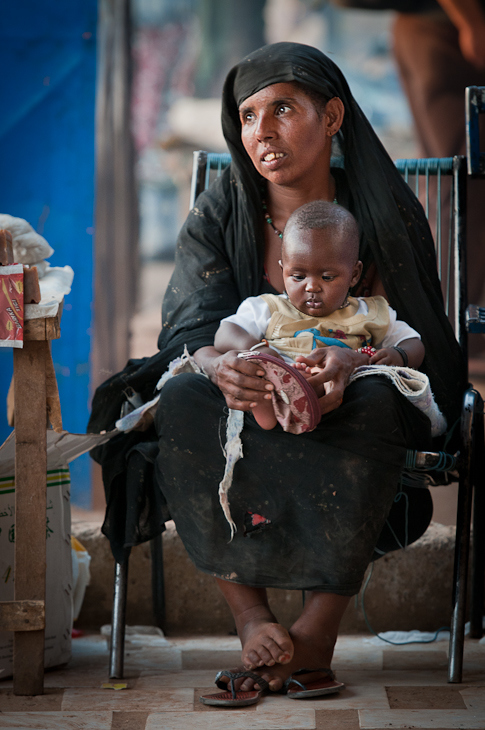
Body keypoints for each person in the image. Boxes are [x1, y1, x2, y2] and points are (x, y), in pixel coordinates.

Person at [88, 42, 466, 705]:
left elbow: (417, 338)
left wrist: (356, 361)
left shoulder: (381, 212)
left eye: (282, 109)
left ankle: (315, 637)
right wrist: (223, 365)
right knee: (181, 395)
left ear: (331, 117)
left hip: (357, 394)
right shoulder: (223, 210)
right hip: (249, 398)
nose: (260, 131)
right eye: (247, 115)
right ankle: (252, 620)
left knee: (375, 403)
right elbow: (188, 333)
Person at [214, 200, 424, 431]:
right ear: (283, 270)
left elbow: (414, 342)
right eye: (298, 276)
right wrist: (257, 349)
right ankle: (268, 406)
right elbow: (225, 332)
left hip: (343, 397)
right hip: (279, 376)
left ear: (354, 275)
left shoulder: (371, 312)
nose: (311, 287)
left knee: (367, 390)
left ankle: (304, 403)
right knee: (260, 377)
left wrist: (399, 355)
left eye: (327, 277)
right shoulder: (268, 307)